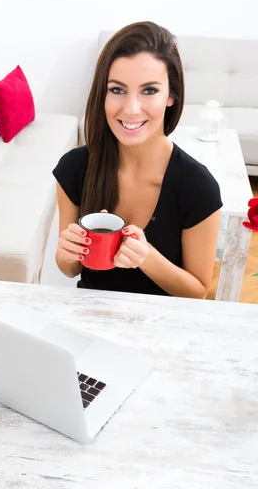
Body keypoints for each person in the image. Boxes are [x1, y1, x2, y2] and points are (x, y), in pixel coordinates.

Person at [53, 21, 223, 298]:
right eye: (117, 90)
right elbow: (70, 269)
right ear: (102, 94)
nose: (131, 109)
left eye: (150, 90)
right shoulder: (75, 168)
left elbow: (197, 292)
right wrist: (66, 251)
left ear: (171, 96)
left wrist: (146, 258)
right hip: (90, 318)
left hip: (158, 328)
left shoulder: (197, 186)